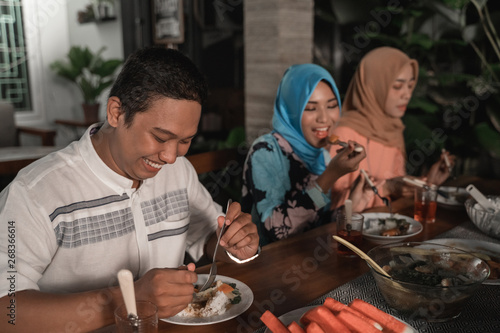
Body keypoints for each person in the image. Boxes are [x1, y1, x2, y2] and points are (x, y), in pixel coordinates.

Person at [0, 47, 259, 332]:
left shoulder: (179, 172)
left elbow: (210, 238)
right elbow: (7, 312)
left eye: (185, 141)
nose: (171, 156)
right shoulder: (33, 193)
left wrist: (234, 244)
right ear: (116, 113)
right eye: (161, 137)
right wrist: (129, 299)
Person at [241, 64, 369, 246]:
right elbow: (278, 230)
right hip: (265, 264)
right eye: (310, 108)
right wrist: (331, 175)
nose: (324, 118)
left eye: (332, 105)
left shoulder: (321, 156)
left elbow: (314, 222)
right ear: (290, 110)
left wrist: (352, 206)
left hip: (306, 256)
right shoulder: (265, 151)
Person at [329, 46, 454, 209]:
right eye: (397, 86)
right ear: (373, 86)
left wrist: (427, 182)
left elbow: (394, 191)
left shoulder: (392, 129)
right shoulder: (344, 133)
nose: (407, 94)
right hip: (351, 231)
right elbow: (328, 206)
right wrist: (386, 187)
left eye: (410, 85)